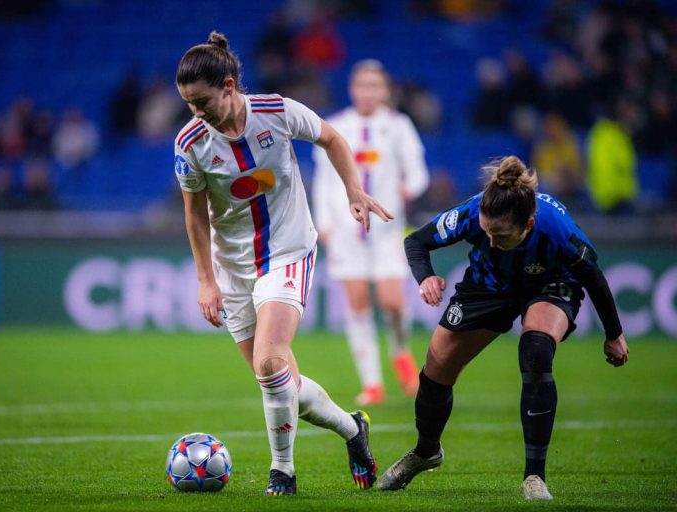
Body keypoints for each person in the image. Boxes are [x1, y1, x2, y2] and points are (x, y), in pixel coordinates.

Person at [173, 32, 393, 496]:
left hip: (288, 250)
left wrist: (354, 191)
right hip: (233, 267)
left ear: (229, 85)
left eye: (202, 101)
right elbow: (194, 213)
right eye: (189, 104)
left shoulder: (276, 111)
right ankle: (353, 430)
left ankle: (283, 471)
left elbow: (332, 138)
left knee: (271, 362)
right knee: (278, 378)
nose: (196, 112)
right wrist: (205, 280)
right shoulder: (191, 142)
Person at [378, 156, 629, 500]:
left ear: (527, 224)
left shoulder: (556, 227)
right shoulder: (471, 213)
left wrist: (613, 334)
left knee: (536, 351)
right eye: (486, 232)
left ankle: (534, 477)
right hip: (489, 286)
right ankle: (426, 452)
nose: (491, 241)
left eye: (500, 234)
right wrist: (425, 277)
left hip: (550, 284)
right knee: (436, 372)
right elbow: (416, 242)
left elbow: (592, 276)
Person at [313, 59, 429, 406]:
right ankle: (373, 382)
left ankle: (401, 353)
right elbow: (323, 180)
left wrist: (410, 187)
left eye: (375, 85)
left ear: (385, 90)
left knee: (393, 302)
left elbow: (418, 171)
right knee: (358, 302)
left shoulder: (398, 125)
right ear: (352, 89)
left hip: (386, 229)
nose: (368, 92)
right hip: (347, 230)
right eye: (362, 85)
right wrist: (324, 224)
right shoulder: (335, 125)